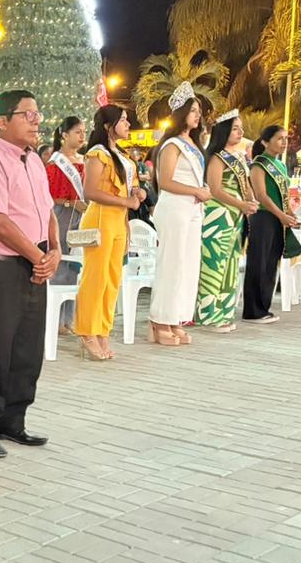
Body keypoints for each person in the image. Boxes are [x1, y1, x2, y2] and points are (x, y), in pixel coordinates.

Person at [0, 90, 58, 459]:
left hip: (36, 262)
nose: (37, 121)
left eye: (38, 114)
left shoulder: (33, 160)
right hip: (2, 266)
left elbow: (48, 210)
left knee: (27, 348)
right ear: (3, 121)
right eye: (27, 115)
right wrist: (40, 257)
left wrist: (54, 250)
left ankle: (13, 420)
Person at [73, 105, 146, 360]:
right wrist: (126, 201)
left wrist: (137, 192)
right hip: (100, 218)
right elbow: (90, 191)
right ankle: (87, 331)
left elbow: (131, 186)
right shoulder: (98, 153)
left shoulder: (122, 156)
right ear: (108, 126)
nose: (128, 124)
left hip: (119, 220)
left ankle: (103, 330)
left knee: (113, 278)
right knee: (96, 277)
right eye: (122, 120)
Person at [148, 85, 210, 345]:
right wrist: (196, 190)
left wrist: (202, 190)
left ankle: (176, 319)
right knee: (171, 265)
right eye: (193, 110)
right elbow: (165, 182)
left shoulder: (193, 144)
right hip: (174, 207)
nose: (197, 115)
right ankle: (159, 321)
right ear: (181, 113)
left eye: (199, 111)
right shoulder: (172, 144)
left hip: (192, 209)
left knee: (187, 266)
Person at [195, 110, 258, 332]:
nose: (240, 132)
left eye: (241, 128)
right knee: (214, 262)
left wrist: (250, 200)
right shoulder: (216, 157)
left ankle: (224, 311)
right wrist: (241, 204)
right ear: (223, 132)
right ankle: (208, 314)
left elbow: (246, 185)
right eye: (235, 128)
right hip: (218, 215)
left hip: (236, 216)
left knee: (231, 263)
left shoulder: (239, 157)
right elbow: (215, 189)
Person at [244, 125, 301, 321]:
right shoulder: (259, 164)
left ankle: (264, 307)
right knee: (259, 262)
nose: (284, 142)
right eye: (279, 138)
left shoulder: (281, 165)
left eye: (286, 138)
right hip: (263, 217)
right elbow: (261, 195)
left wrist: (290, 214)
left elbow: (283, 195)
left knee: (271, 263)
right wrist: (281, 215)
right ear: (265, 142)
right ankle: (252, 310)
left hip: (278, 218)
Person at [47, 116, 86, 334]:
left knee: (75, 266)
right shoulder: (56, 162)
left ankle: (69, 318)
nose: (82, 136)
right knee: (60, 262)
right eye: (77, 132)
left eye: (84, 132)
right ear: (64, 135)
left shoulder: (84, 160)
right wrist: (72, 203)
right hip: (62, 213)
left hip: (81, 214)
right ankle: (56, 319)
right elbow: (50, 196)